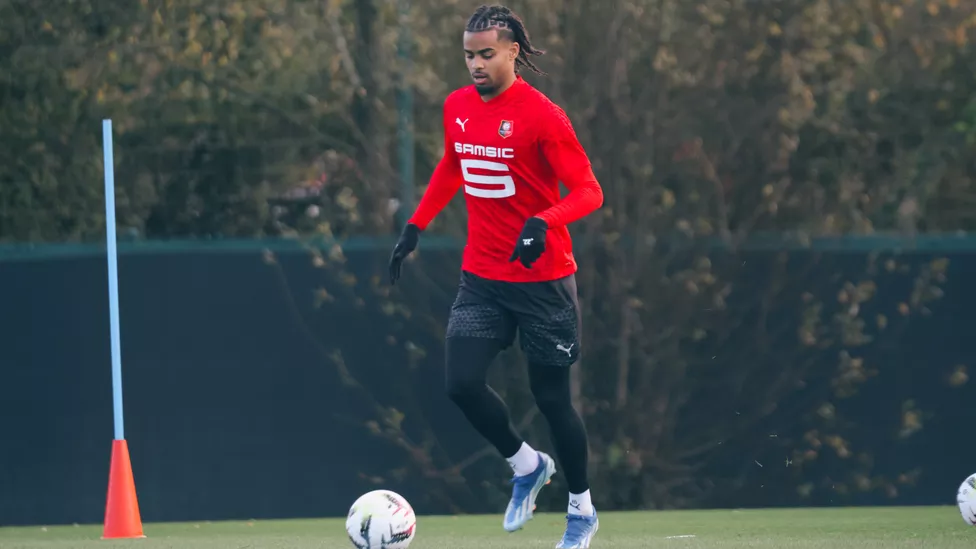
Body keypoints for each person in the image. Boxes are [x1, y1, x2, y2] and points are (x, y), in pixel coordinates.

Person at [388, 4, 603, 548]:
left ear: (513, 52)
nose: (476, 65)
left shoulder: (543, 116)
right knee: (460, 382)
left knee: (552, 399)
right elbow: (454, 165)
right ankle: (527, 466)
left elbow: (588, 191)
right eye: (468, 55)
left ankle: (581, 510)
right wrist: (416, 224)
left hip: (543, 282)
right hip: (482, 277)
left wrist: (542, 220)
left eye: (486, 54)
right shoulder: (457, 106)